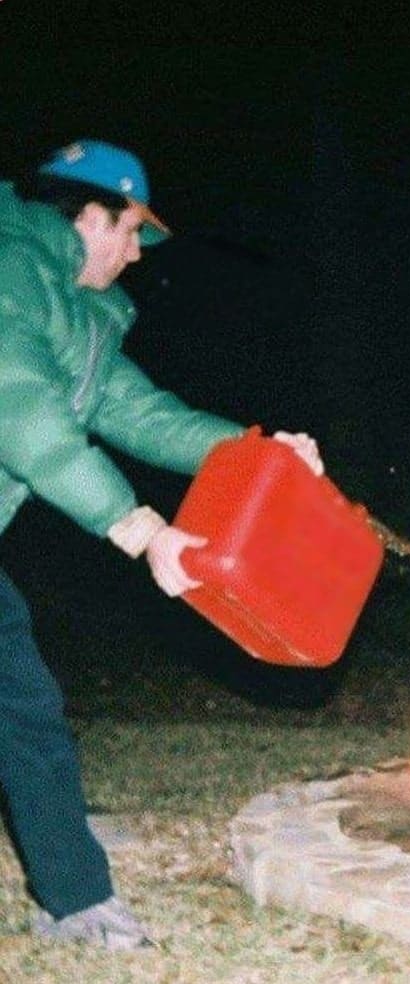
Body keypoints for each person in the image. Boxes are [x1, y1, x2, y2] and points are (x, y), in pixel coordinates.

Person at [0, 139, 324, 949]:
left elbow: (147, 418)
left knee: (21, 707)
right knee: (20, 706)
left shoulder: (81, 315)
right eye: (133, 229)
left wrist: (264, 453)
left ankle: (76, 902)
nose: (139, 252)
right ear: (90, 214)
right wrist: (139, 527)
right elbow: (21, 413)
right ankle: (77, 902)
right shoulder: (8, 269)